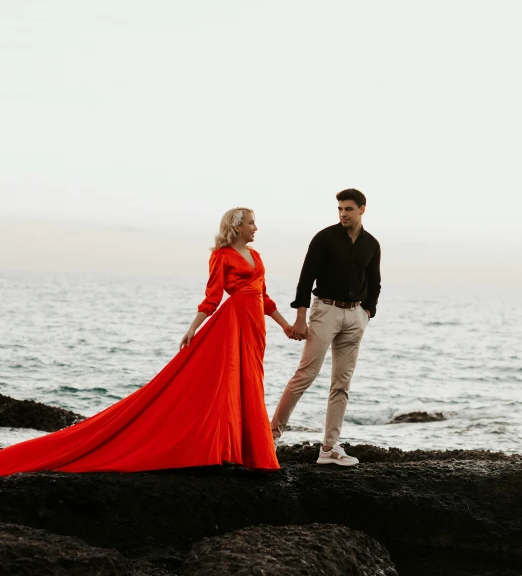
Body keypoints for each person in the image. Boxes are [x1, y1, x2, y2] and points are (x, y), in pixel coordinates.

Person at [0, 208, 293, 475]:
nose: (256, 228)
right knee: (226, 383)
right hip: (231, 325)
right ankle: (228, 449)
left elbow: (264, 299)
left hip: (255, 327)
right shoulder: (221, 255)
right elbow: (213, 297)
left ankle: (247, 451)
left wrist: (286, 326)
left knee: (251, 380)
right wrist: (192, 328)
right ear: (237, 226)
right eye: (252, 223)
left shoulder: (257, 258)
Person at [271, 189, 381, 467]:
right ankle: (270, 438)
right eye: (340, 209)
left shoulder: (372, 245)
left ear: (362, 210)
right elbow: (306, 278)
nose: (343, 213)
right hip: (325, 311)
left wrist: (367, 312)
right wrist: (300, 318)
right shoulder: (325, 238)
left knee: (341, 384)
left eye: (348, 209)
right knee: (305, 374)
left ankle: (329, 448)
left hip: (355, 315)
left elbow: (374, 281)